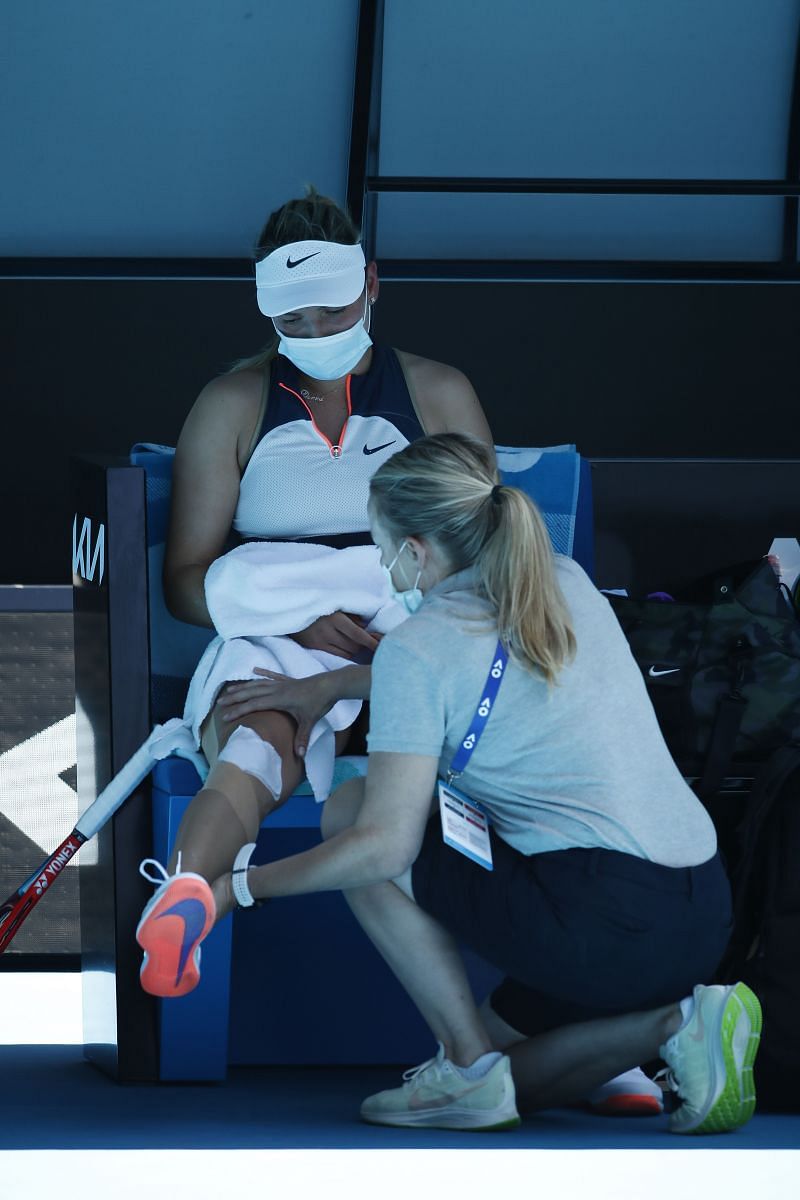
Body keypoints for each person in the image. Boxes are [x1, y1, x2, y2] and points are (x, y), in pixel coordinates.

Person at [206, 432, 761, 1135]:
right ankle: (680, 1024)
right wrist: (336, 685)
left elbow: (382, 848)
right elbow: (474, 671)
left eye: (381, 550)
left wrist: (242, 886)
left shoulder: (419, 645)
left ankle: (471, 1063)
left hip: (600, 917)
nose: (382, 566)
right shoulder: (562, 582)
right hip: (701, 908)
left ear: (415, 551)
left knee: (350, 813)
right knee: (510, 1077)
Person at [136, 188, 493, 998]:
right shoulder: (231, 404)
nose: (315, 336)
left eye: (332, 314)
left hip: (419, 633)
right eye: (294, 322)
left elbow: (484, 558)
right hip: (279, 636)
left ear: (372, 284)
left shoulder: (437, 392)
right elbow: (187, 586)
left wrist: (396, 628)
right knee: (258, 730)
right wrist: (310, 616)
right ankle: (188, 893)